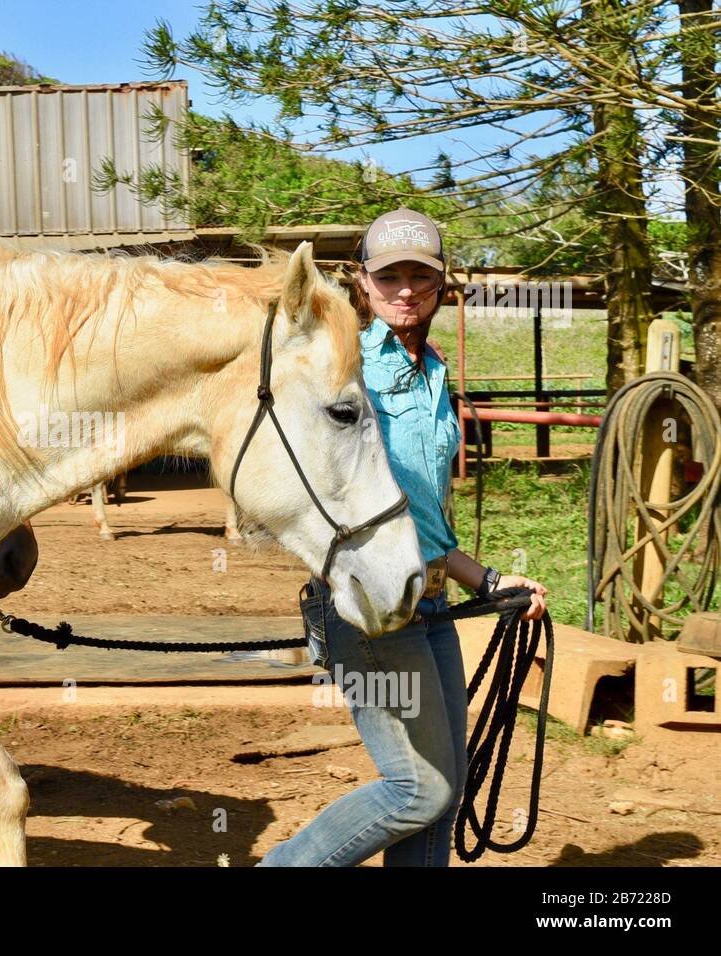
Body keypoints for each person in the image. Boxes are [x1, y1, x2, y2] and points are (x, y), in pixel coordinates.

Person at [258, 207, 548, 867]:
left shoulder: (436, 373)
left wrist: (492, 582)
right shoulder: (345, 365)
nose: (406, 290)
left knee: (442, 794)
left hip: (432, 603)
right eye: (390, 277)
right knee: (419, 789)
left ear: (442, 284)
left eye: (421, 275)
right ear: (364, 283)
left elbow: (422, 518)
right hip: (371, 610)